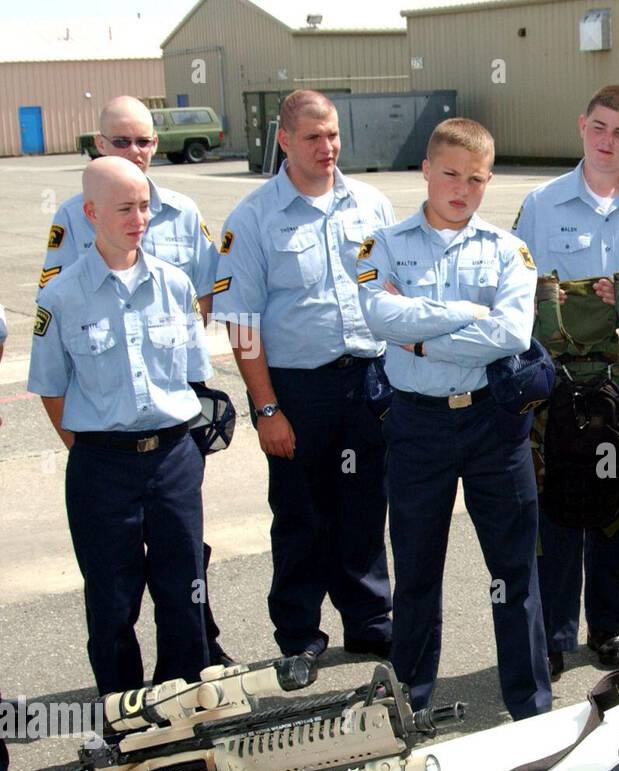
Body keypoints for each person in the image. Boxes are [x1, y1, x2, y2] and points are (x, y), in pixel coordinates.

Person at [356, 118, 550, 718]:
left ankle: (529, 703)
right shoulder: (383, 245)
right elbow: (379, 318)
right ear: (426, 170)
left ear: (488, 180)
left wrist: (420, 338)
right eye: (449, 174)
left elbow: (512, 332)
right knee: (415, 570)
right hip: (417, 426)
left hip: (495, 424)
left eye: (475, 178)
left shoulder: (509, 250)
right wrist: (467, 313)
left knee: (515, 572)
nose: (461, 189)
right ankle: (410, 701)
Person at [41, 96, 232, 667]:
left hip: (173, 451)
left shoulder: (174, 280)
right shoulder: (62, 290)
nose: (139, 219)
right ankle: (124, 720)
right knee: (112, 598)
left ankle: (186, 709)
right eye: (125, 209)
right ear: (91, 212)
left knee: (183, 587)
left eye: (144, 207)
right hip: (104, 462)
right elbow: (52, 385)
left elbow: (196, 368)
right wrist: (95, 449)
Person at [213, 90, 395, 662]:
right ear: (284, 140)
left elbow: (396, 292)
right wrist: (266, 409)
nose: (327, 147)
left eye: (333, 134)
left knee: (364, 506)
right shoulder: (252, 219)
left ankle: (368, 621)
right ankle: (298, 634)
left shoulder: (371, 205)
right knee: (300, 515)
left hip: (368, 381)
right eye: (313, 137)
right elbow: (241, 324)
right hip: (297, 389)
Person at [512, 85, 619, 677]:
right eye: (599, 127)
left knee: (617, 504)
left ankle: (608, 627)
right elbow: (516, 292)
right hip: (557, 389)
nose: (607, 141)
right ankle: (553, 630)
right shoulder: (541, 204)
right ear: (581, 126)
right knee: (554, 505)